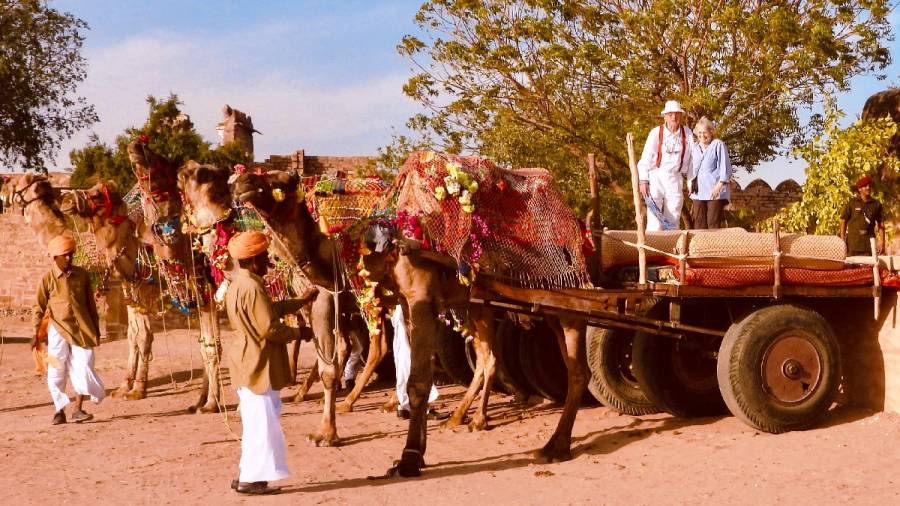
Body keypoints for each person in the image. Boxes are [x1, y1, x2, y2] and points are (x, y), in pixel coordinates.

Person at [223, 230, 312, 495]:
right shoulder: (251, 287)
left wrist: (300, 302)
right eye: (264, 257)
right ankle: (252, 480)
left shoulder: (240, 283)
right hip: (257, 363)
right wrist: (300, 333)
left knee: (255, 424)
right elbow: (269, 328)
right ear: (252, 261)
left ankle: (246, 475)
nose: (268, 262)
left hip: (247, 362)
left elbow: (269, 310)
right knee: (262, 425)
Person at [32, 234, 106, 425]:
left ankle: (78, 409)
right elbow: (38, 308)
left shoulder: (81, 275)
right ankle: (59, 410)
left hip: (82, 329)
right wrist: (36, 334)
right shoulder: (47, 279)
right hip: (57, 330)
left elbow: (90, 304)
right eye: (65, 255)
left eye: (71, 254)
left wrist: (95, 329)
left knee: (85, 365)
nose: (69, 258)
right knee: (56, 370)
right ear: (55, 257)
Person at [637, 100, 694, 231]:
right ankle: (653, 249)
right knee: (654, 220)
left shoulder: (688, 133)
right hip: (656, 176)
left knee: (673, 216)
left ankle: (671, 248)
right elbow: (646, 157)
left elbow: (692, 160)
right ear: (665, 116)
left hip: (676, 178)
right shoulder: (656, 133)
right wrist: (643, 180)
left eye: (676, 114)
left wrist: (690, 182)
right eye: (670, 114)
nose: (673, 117)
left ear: (681, 115)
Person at [391, 304, 448, 420]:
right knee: (414, 354)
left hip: (401, 309)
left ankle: (403, 406)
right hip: (409, 308)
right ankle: (422, 408)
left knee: (403, 354)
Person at [687, 117, 733, 229]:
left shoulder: (718, 144)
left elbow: (725, 165)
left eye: (705, 132)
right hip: (698, 190)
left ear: (711, 132)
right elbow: (690, 166)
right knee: (699, 222)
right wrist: (689, 182)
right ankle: (699, 246)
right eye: (700, 133)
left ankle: (713, 246)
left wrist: (719, 185)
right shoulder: (695, 147)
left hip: (714, 189)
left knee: (713, 221)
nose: (702, 135)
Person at [840, 175, 885, 256]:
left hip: (868, 245)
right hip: (853, 245)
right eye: (865, 186)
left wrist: (882, 242)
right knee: (851, 268)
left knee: (868, 267)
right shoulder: (852, 203)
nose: (868, 188)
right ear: (859, 189)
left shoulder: (876, 204)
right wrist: (842, 240)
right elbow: (843, 221)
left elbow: (881, 224)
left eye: (869, 185)